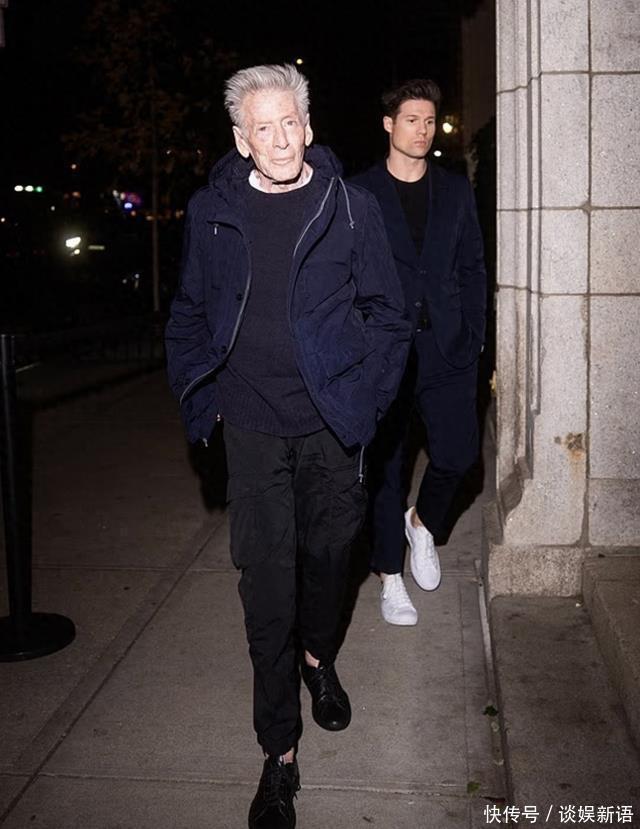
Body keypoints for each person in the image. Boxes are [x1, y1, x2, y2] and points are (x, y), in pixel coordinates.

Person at [165, 64, 411, 829]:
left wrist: (367, 402)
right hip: (250, 427)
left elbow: (390, 314)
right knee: (266, 587)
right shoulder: (212, 213)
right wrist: (201, 401)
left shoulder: (350, 207)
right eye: (261, 128)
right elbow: (188, 314)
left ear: (308, 126)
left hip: (331, 424)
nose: (278, 140)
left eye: (289, 123)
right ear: (242, 140)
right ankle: (279, 752)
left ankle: (318, 655)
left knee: (331, 560)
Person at [350, 79, 486, 627]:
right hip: (386, 351)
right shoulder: (360, 192)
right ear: (389, 124)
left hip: (447, 345)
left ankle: (422, 524)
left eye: (429, 121)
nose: (422, 131)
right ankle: (389, 575)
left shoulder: (454, 189)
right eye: (411, 120)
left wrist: (475, 333)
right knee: (387, 469)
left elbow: (473, 264)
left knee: (458, 454)